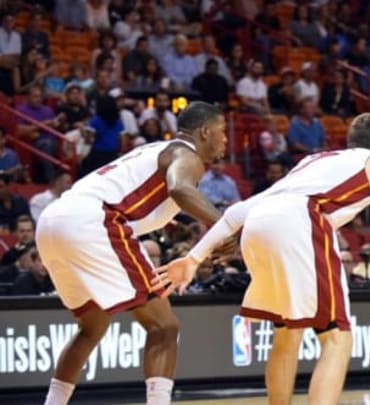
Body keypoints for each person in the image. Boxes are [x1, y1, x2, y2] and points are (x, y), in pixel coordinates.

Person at [153, 113, 370, 405]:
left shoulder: (315, 160)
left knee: (288, 335)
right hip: (301, 221)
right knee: (336, 338)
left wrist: (195, 258)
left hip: (258, 222)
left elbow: (237, 211)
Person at [36, 101, 234, 405]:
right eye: (222, 132)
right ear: (205, 131)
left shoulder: (155, 150)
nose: (225, 140)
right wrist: (224, 227)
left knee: (93, 326)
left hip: (52, 221)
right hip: (93, 221)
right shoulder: (187, 154)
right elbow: (180, 189)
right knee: (165, 327)